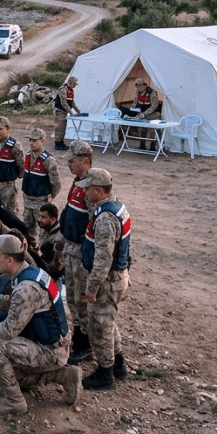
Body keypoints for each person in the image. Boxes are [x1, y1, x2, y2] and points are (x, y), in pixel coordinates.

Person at [0, 235, 79, 414]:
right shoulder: (28, 272)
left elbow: (8, 331)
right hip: (54, 342)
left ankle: (14, 401)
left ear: (9, 260)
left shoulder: (26, 287)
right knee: (14, 375)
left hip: (50, 350)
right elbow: (15, 304)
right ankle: (63, 375)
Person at [79, 168, 131, 391]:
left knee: (99, 327)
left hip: (107, 282)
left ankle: (105, 374)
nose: (85, 193)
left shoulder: (105, 219)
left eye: (88, 189)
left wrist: (91, 288)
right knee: (108, 324)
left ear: (98, 190)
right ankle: (118, 365)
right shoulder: (117, 207)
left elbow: (103, 258)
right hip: (117, 277)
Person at [56, 142, 93, 365]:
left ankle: (86, 344)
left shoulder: (91, 187)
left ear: (85, 161)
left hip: (81, 252)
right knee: (71, 297)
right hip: (70, 249)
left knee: (81, 298)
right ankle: (79, 337)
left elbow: (93, 224)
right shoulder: (77, 182)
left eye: (73, 160)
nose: (69, 163)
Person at [21, 128, 63, 247]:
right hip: (28, 200)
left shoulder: (49, 160)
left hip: (41, 201)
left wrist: (50, 196)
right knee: (28, 228)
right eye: (30, 140)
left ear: (43, 141)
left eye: (34, 140)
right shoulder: (28, 155)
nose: (31, 143)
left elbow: (56, 183)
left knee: (43, 231)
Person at [0, 116, 24, 214]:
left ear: (7, 129)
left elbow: (21, 164)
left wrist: (16, 176)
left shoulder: (15, 145)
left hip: (7, 184)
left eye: (0, 128)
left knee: (9, 211)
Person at [126, 77, 162, 150]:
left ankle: (152, 147)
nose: (139, 88)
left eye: (141, 86)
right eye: (137, 86)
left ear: (144, 85)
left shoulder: (152, 92)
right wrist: (132, 110)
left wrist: (144, 114)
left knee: (152, 130)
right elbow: (135, 102)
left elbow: (154, 106)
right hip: (142, 111)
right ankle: (142, 145)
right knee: (141, 129)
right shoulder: (137, 92)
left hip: (153, 113)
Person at [36, 203, 65, 277]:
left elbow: (57, 265)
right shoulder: (46, 227)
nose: (39, 220)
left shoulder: (58, 239)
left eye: (43, 217)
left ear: (53, 219)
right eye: (39, 216)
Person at [53, 75, 79, 151]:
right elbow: (64, 103)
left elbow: (72, 102)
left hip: (64, 112)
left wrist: (78, 111)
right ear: (70, 82)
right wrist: (71, 112)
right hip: (60, 111)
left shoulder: (71, 91)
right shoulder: (63, 90)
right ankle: (57, 144)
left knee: (63, 128)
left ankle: (61, 142)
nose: (75, 86)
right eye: (74, 84)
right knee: (59, 128)